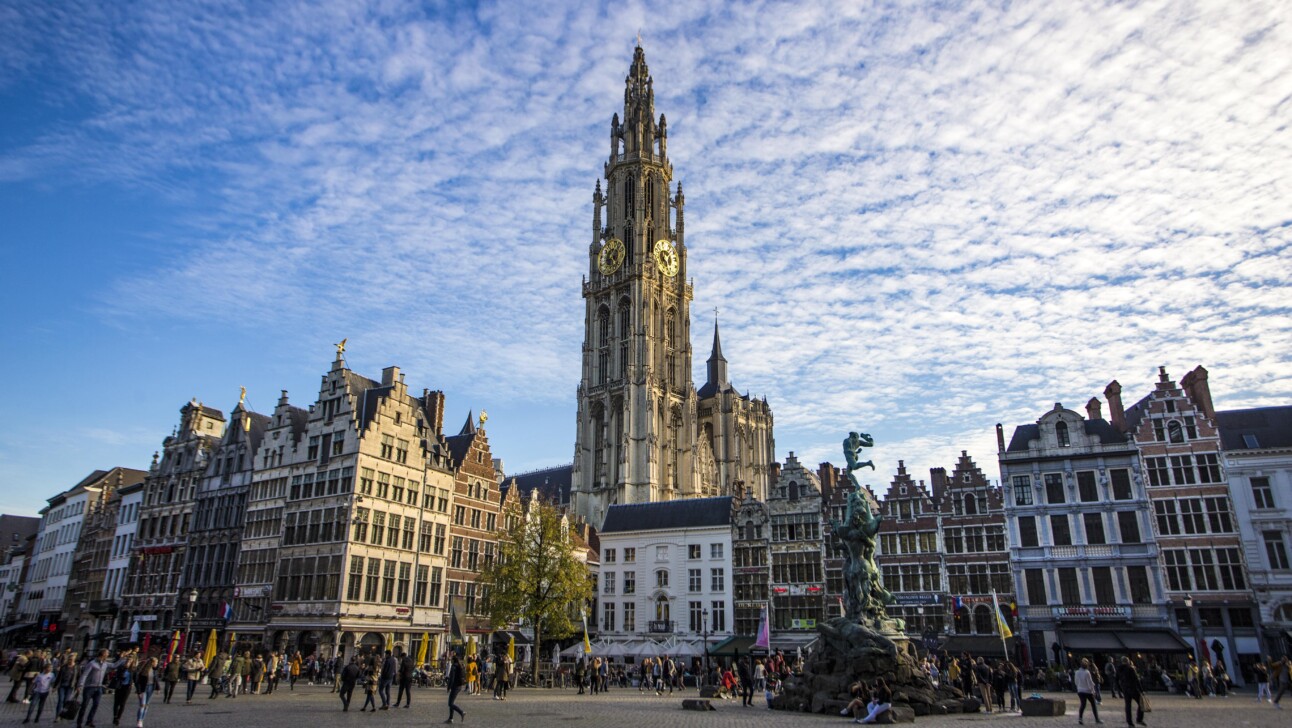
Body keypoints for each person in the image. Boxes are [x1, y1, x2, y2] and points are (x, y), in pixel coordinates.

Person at [75, 649, 111, 728]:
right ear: (103, 654)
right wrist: (80, 685)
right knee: (84, 705)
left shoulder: (105, 664)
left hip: (99, 687)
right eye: (107, 653)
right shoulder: (92, 663)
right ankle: (79, 722)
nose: (108, 654)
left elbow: (114, 665)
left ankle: (89, 721)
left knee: (96, 704)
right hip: (89, 687)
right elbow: (84, 674)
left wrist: (124, 659)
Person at [1116, 656, 1146, 727]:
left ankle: (1129, 722)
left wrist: (1120, 689)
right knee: (1141, 703)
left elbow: (1116, 680)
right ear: (1128, 661)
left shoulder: (1119, 669)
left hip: (1125, 689)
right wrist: (1141, 690)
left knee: (1128, 706)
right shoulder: (1130, 669)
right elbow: (1136, 680)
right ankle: (1139, 719)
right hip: (1133, 688)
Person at [110, 651, 137, 727]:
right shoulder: (121, 668)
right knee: (116, 703)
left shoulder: (133, 670)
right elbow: (117, 675)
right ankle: (115, 716)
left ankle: (118, 718)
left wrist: (139, 690)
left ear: (132, 661)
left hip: (127, 687)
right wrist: (124, 668)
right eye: (128, 660)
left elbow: (135, 679)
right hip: (119, 686)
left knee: (122, 704)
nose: (128, 661)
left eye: (130, 660)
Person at [1075, 658, 1102, 725]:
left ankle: (1080, 718)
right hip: (1088, 691)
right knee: (1093, 705)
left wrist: (1079, 687)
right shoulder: (1087, 672)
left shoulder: (1077, 672)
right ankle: (1097, 719)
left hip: (1080, 691)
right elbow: (1090, 683)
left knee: (1083, 705)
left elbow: (1076, 682)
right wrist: (1093, 691)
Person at [54, 651, 79, 720]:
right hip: (62, 685)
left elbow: (78, 677)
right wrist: (54, 686)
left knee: (66, 701)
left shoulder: (76, 667)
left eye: (72, 659)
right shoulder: (63, 667)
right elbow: (58, 677)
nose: (70, 661)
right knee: (60, 700)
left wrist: (77, 687)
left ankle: (63, 714)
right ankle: (57, 716)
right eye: (69, 659)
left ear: (74, 660)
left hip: (70, 686)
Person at [134, 657, 157, 728]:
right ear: (152, 663)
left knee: (146, 705)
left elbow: (155, 679)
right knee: (142, 705)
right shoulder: (143, 671)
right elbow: (138, 682)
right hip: (144, 689)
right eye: (156, 662)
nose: (157, 664)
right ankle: (139, 720)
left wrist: (158, 688)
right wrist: (139, 692)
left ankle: (142, 719)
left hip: (150, 688)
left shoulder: (154, 670)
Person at [445, 654, 466, 724]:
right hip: (459, 686)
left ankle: (461, 712)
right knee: (452, 702)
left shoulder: (454, 666)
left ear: (453, 660)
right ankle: (450, 718)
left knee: (450, 703)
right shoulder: (460, 665)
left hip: (455, 686)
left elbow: (452, 678)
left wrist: (448, 687)